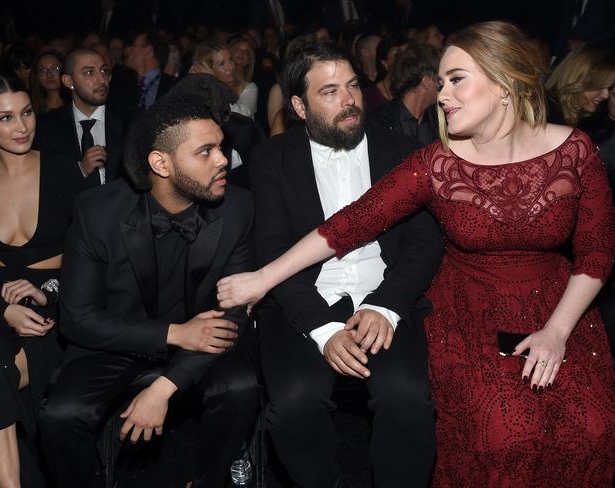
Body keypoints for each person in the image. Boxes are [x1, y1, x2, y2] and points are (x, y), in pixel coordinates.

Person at [217, 21, 615, 486]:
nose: (441, 94)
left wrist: (557, 331)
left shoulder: (575, 149)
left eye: (455, 80)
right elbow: (350, 223)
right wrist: (264, 278)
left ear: (504, 82)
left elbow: (597, 251)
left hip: (557, 304)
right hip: (467, 307)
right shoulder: (435, 162)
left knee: (591, 429)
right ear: (299, 106)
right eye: (441, 81)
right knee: (505, 433)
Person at [39, 77, 261, 488]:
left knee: (241, 386)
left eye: (221, 147)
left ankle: (210, 479)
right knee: (60, 416)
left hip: (205, 339)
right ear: (161, 164)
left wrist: (164, 387)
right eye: (206, 151)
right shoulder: (96, 214)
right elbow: (77, 319)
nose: (224, 161)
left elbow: (234, 312)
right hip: (120, 342)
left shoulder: (239, 208)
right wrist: (174, 333)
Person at [247, 41, 443, 487]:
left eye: (353, 85)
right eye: (330, 91)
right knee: (295, 404)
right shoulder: (271, 159)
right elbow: (273, 252)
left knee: (407, 399)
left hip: (385, 298)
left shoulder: (401, 148)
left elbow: (424, 241)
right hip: (306, 304)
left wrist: (387, 306)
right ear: (299, 105)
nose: (350, 100)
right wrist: (325, 330)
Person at [0, 73, 81, 488]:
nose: (21, 127)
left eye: (27, 113)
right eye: (5, 117)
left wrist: (46, 295)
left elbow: (93, 261)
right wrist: (3, 307)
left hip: (50, 307)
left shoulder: (65, 170)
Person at [34, 48, 124, 189]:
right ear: (69, 81)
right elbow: (45, 183)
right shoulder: (46, 128)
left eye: (104, 71)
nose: (101, 80)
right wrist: (80, 170)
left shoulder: (130, 120)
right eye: (89, 73)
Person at [371, 42, 440, 147]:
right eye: (440, 80)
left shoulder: (440, 121)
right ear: (426, 82)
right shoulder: (377, 125)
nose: (445, 87)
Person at [546, 45, 615, 127]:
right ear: (578, 79)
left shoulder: (587, 120)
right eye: (600, 86)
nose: (606, 95)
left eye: (609, 87)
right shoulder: (544, 115)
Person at [191, 40, 259, 119]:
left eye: (230, 60)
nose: (230, 67)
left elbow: (243, 115)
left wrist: (213, 84)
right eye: (222, 64)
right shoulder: (200, 90)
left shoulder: (248, 87)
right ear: (208, 68)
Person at [29, 50, 68, 116]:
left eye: (55, 69)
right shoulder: (31, 107)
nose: (49, 75)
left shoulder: (76, 104)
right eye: (42, 70)